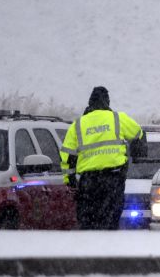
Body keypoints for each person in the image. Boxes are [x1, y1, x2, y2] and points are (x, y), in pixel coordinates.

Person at [60, 86, 146, 230]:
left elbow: (67, 157)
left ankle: (92, 249)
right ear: (107, 102)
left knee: (88, 225)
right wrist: (137, 155)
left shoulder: (77, 125)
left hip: (89, 184)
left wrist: (70, 182)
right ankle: (108, 249)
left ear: (90, 103)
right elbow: (139, 133)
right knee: (110, 224)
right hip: (113, 182)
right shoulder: (118, 119)